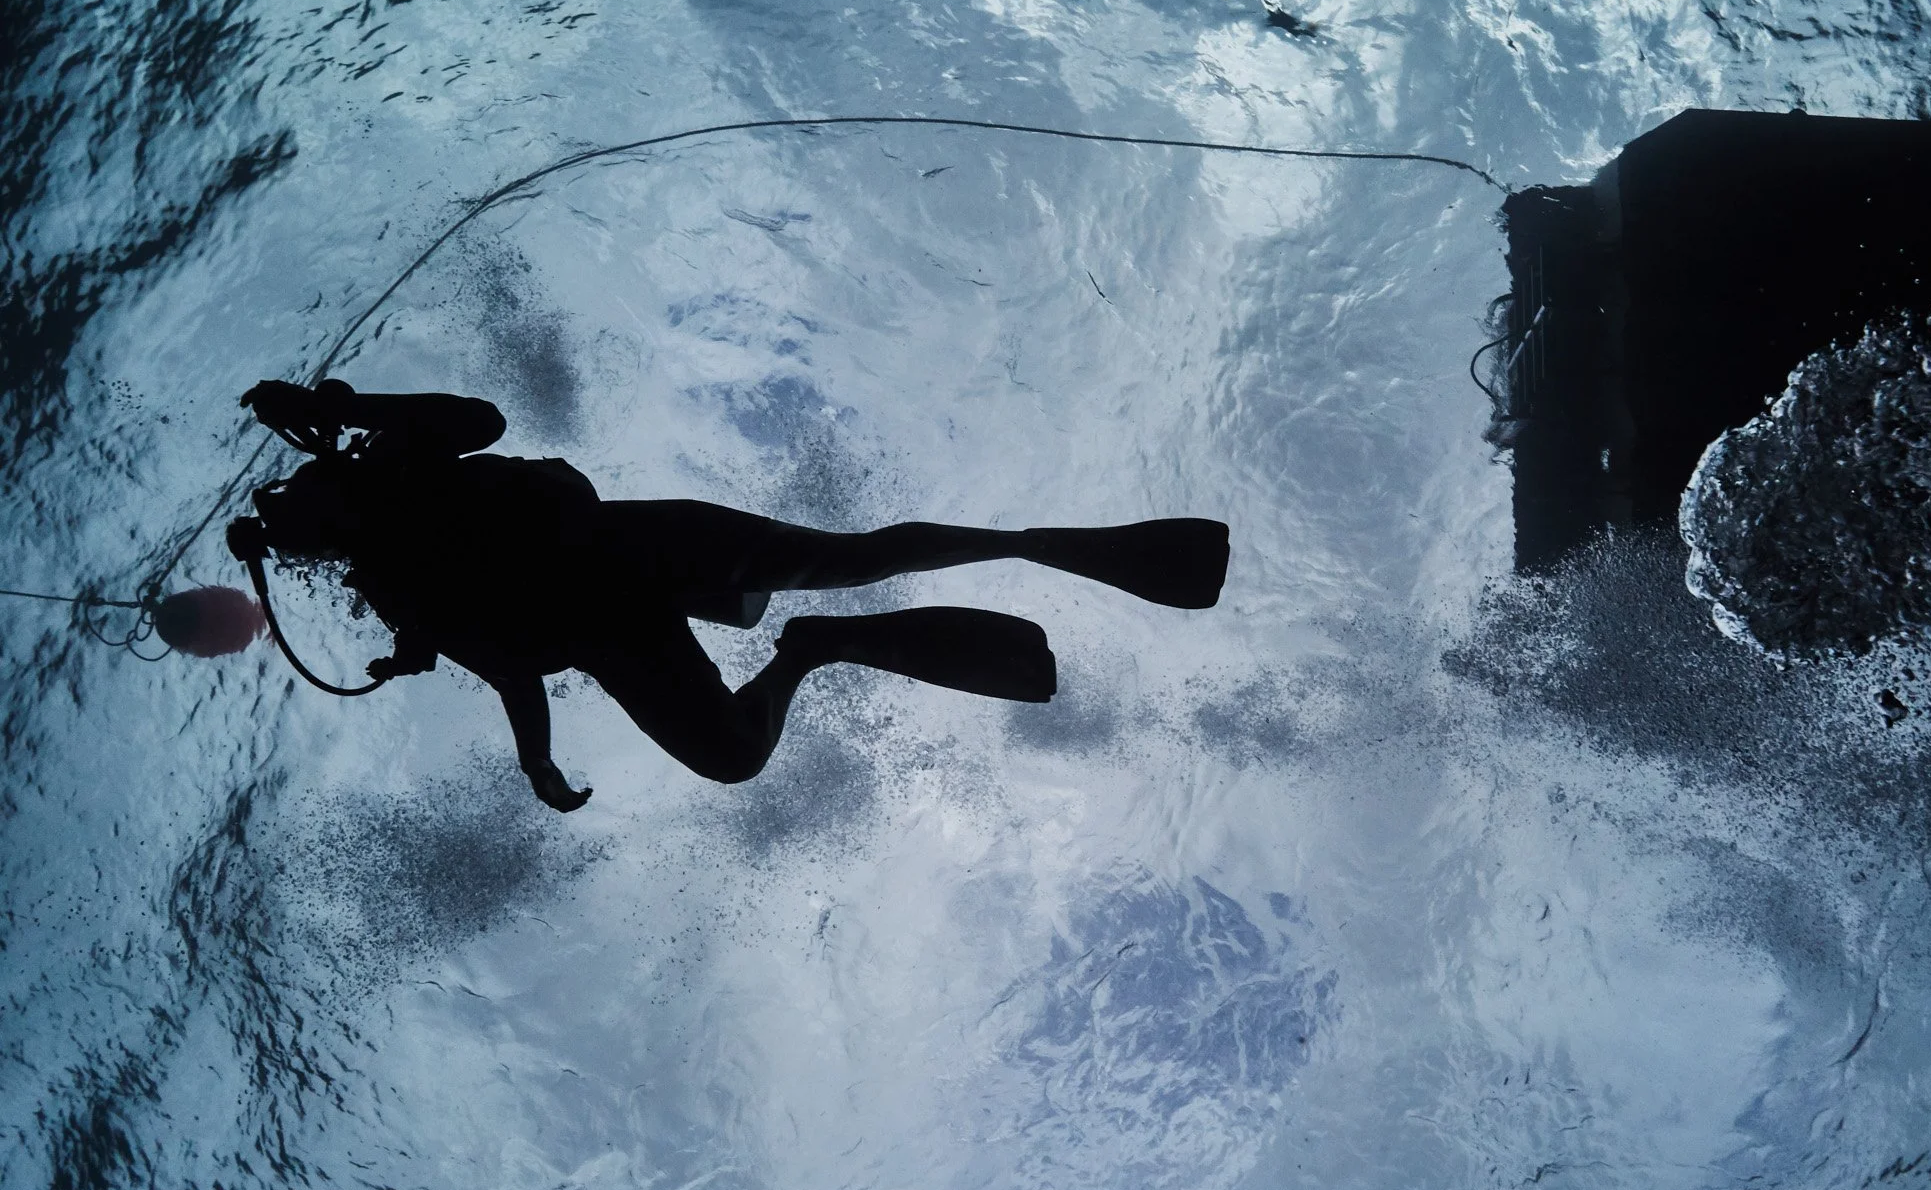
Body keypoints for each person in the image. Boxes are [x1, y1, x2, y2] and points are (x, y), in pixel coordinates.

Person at [227, 379, 1229, 811]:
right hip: (612, 630)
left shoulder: (391, 463)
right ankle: (812, 650)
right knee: (733, 755)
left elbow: (477, 415)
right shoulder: (399, 588)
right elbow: (507, 673)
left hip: (637, 546)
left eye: (294, 511)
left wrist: (344, 405)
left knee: (857, 553)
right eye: (293, 531)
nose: (297, 525)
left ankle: (1028, 544)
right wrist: (536, 758)